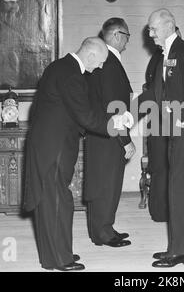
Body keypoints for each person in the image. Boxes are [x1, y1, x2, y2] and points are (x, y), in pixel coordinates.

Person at [23, 37, 132, 271]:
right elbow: (86, 116)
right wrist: (115, 123)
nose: (101, 67)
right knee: (56, 203)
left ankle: (56, 255)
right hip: (54, 149)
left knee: (53, 201)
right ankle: (61, 260)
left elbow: (80, 109)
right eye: (101, 62)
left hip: (51, 145)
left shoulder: (62, 67)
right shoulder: (71, 74)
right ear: (91, 55)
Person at [138, 9, 184, 267]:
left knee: (182, 192)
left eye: (153, 29)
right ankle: (180, 246)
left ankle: (181, 250)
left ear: (168, 26)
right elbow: (155, 94)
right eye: (149, 29)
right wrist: (126, 114)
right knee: (176, 191)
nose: (150, 34)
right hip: (172, 133)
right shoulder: (166, 54)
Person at [84, 18, 135, 248]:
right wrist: (125, 140)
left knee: (106, 182)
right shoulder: (111, 63)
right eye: (127, 35)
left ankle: (104, 227)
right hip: (109, 135)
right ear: (116, 35)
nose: (127, 40)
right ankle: (102, 233)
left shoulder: (106, 61)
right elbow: (115, 107)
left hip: (101, 133)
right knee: (106, 183)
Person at [143, 25, 182, 222]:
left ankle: (159, 211)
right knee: (163, 167)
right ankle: (161, 211)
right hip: (164, 121)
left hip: (159, 121)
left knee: (160, 166)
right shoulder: (165, 60)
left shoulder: (158, 59)